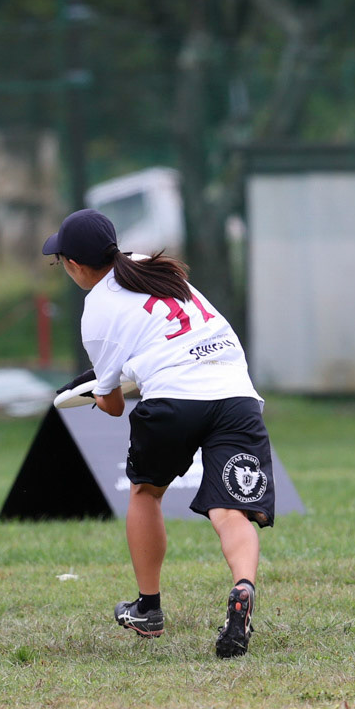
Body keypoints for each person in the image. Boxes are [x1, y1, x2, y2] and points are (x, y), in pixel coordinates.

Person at [44, 208, 270, 658]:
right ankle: (243, 587)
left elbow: (113, 406)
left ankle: (148, 609)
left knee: (146, 492)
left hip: (175, 399)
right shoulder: (148, 263)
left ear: (74, 264)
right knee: (231, 512)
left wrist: (93, 392)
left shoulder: (97, 311)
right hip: (235, 393)